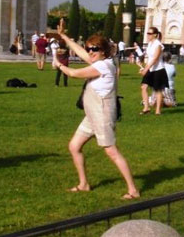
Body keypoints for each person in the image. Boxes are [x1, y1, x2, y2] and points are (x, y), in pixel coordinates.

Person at [54, 25, 140, 199]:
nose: (90, 52)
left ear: (104, 51)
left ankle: (133, 190)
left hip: (102, 115)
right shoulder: (99, 61)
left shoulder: (104, 66)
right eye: (89, 48)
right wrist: (65, 37)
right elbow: (80, 52)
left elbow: (73, 73)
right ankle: (84, 184)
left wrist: (59, 65)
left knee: (111, 152)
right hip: (92, 115)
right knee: (74, 146)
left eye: (95, 49)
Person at [139, 27, 168, 115]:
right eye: (147, 33)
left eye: (150, 33)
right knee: (144, 87)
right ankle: (146, 107)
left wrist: (146, 69)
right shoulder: (150, 44)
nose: (148, 35)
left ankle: (158, 110)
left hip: (158, 69)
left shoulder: (158, 44)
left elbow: (155, 58)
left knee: (158, 90)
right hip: (150, 68)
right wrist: (145, 68)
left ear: (155, 34)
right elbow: (150, 58)